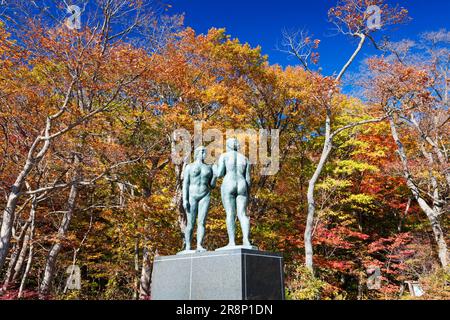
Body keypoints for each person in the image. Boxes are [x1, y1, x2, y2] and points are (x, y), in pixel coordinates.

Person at [216, 138, 254, 249]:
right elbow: (248, 180)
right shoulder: (245, 159)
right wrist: (248, 193)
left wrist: (214, 168)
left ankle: (231, 242)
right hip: (242, 184)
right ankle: (246, 241)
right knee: (242, 214)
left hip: (229, 182)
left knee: (230, 214)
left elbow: (219, 174)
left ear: (228, 146)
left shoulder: (224, 156)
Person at [180, 146, 216, 254]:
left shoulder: (209, 168)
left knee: (202, 222)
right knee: (190, 223)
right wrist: (184, 199)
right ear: (197, 153)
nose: (204, 154)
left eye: (205, 152)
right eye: (202, 152)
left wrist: (214, 175)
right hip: (192, 195)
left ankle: (199, 245)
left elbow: (212, 185)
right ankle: (188, 246)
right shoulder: (189, 167)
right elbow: (185, 184)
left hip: (205, 195)